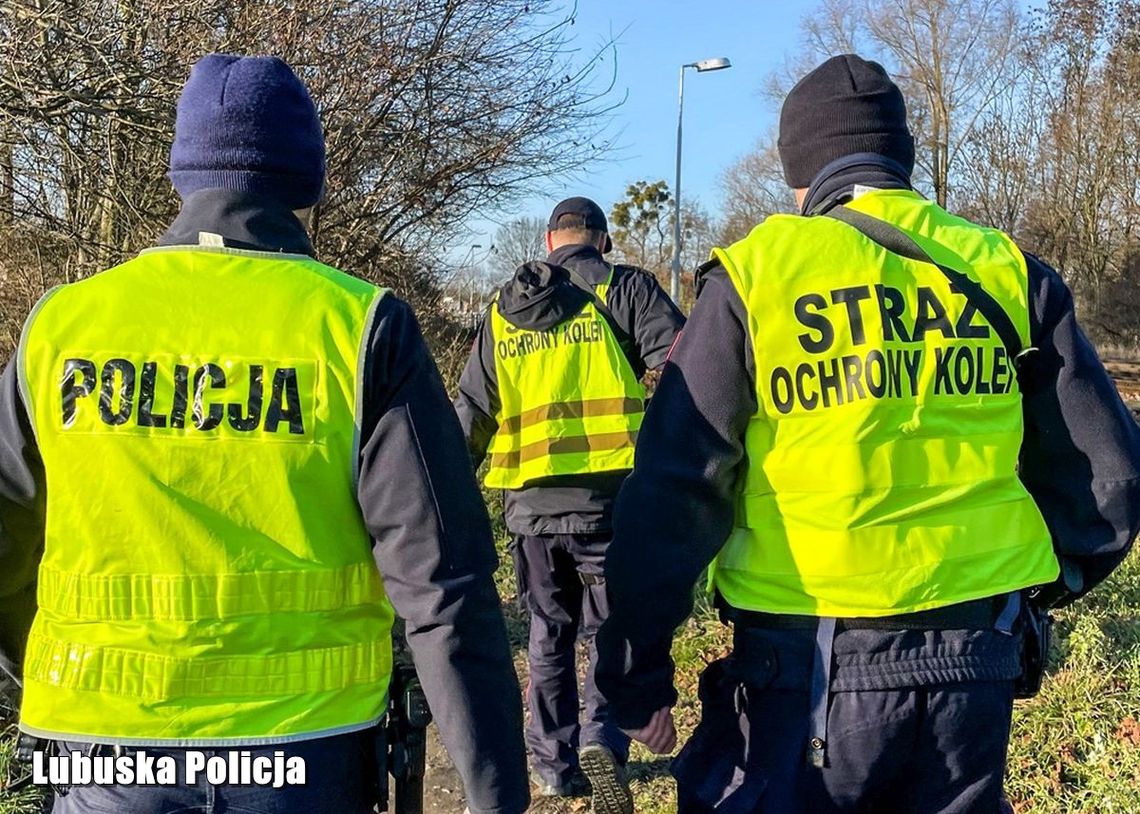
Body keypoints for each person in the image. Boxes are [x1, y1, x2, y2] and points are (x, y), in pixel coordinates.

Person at [595, 54, 1140, 813]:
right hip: (975, 661)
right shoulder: (1008, 270)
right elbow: (1110, 477)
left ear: (800, 172)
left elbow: (673, 493)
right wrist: (1039, 593)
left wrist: (635, 672)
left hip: (806, 663)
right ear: (900, 157)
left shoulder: (758, 277)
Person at [0, 53, 528, 814]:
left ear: (182, 171)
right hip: (304, 754)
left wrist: (36, 671)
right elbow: (443, 581)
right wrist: (494, 791)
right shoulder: (358, 327)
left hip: (102, 756)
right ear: (307, 181)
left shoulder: (62, 326)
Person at [455, 196, 684, 812]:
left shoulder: (503, 310)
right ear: (602, 240)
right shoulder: (625, 288)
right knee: (609, 628)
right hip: (611, 500)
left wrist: (445, 495)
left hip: (531, 507)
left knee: (547, 632)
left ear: (549, 242)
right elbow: (686, 363)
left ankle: (553, 764)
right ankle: (601, 737)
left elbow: (472, 411)